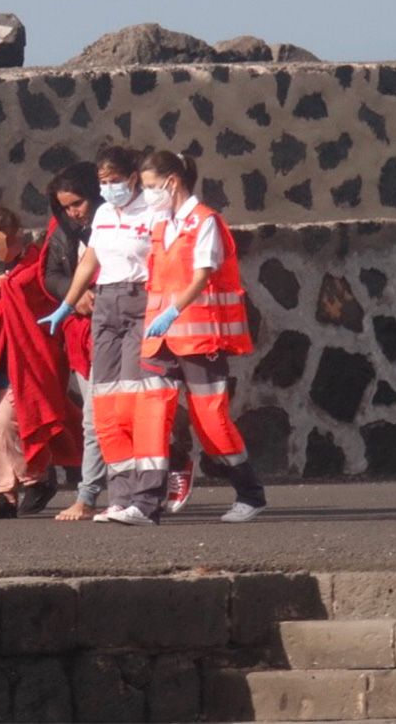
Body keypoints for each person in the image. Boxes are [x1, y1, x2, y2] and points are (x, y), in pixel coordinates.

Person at [38, 146, 167, 526]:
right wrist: (67, 303)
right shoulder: (106, 215)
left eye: (114, 182)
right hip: (105, 306)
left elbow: (170, 258)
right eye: (103, 183)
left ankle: (145, 499)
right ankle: (121, 497)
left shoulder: (154, 211)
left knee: (136, 403)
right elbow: (90, 260)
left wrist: (169, 307)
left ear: (132, 178)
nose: (108, 189)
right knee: (107, 408)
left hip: (140, 300)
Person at [138, 149, 267, 524]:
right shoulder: (163, 224)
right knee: (151, 412)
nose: (147, 194)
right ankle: (148, 498)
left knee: (210, 420)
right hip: (161, 339)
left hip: (198, 337)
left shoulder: (205, 221)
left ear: (171, 182)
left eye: (149, 186)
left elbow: (203, 274)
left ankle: (250, 493)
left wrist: (173, 311)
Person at [0, 205, 80, 518]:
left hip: (26, 356)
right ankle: (3, 493)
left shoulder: (34, 263)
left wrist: (7, 287)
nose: (11, 246)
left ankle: (36, 478)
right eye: (3, 241)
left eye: (14, 239)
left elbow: (38, 294)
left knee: (14, 419)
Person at [41, 162, 105, 521]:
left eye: (78, 203)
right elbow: (51, 274)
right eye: (65, 206)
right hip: (81, 332)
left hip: (119, 326)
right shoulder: (63, 231)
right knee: (94, 417)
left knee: (114, 416)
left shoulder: (113, 226)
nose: (73, 212)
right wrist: (72, 294)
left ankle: (101, 495)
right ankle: (90, 495)